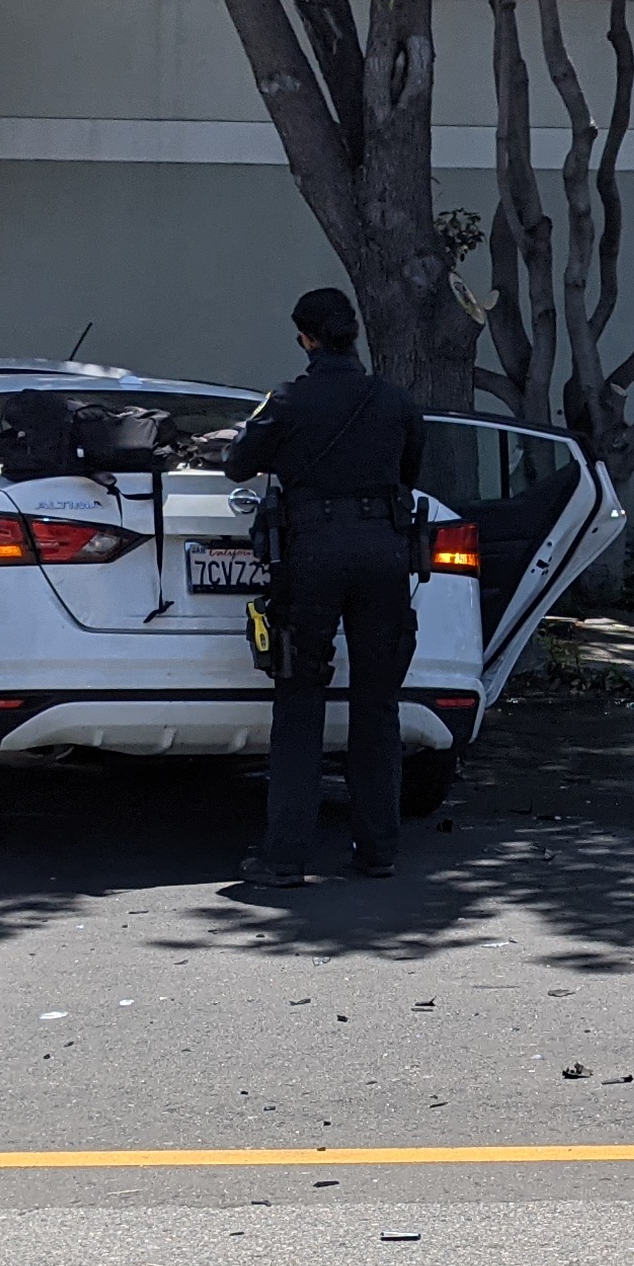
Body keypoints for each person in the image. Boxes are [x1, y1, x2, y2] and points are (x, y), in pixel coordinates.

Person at [222, 285, 426, 887]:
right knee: (377, 703)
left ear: (305, 338)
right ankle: (379, 849)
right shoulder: (394, 400)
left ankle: (285, 856)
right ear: (354, 334)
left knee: (300, 700)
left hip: (312, 553)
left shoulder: (288, 400)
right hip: (385, 554)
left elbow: (238, 463)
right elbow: (410, 469)